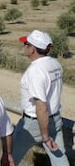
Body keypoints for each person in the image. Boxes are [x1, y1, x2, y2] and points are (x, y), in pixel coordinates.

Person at [12, 30, 70, 166]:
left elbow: (41, 105)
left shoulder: (36, 71)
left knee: (10, 157)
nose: (24, 46)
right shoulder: (55, 64)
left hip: (35, 123)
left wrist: (44, 136)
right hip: (55, 119)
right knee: (59, 159)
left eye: (26, 44)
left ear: (32, 49)